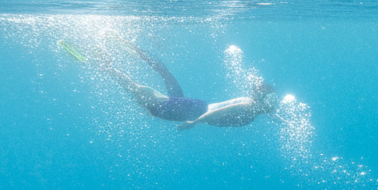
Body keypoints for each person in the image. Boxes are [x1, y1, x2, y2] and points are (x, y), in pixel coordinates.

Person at [61, 37, 279, 130]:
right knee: (162, 72)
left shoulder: (254, 107)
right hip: (188, 106)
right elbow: (220, 114)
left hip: (184, 110)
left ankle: (102, 66)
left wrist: (194, 123)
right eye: (270, 97)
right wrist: (196, 123)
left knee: (140, 89)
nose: (273, 102)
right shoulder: (254, 107)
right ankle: (121, 51)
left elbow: (217, 114)